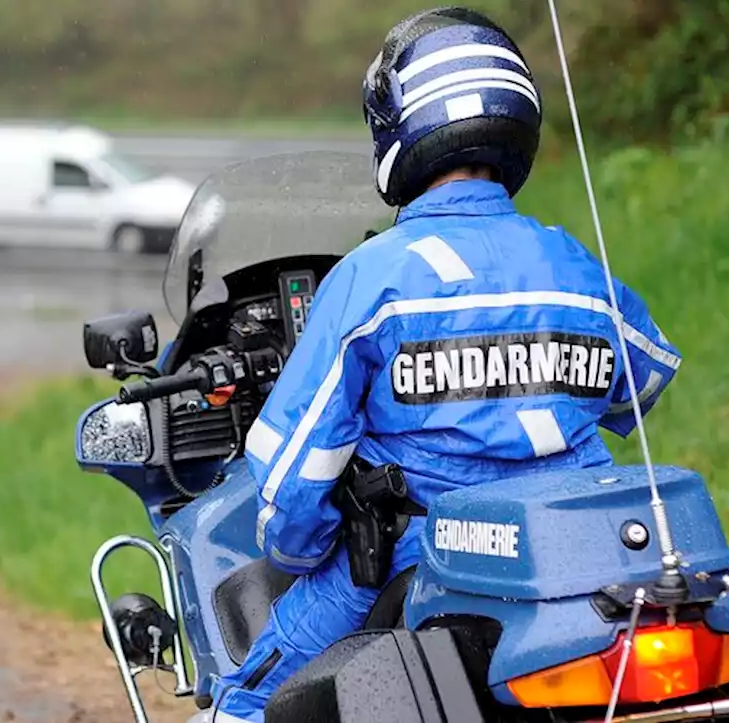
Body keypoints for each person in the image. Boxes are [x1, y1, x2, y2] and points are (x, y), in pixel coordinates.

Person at [205, 6, 682, 722]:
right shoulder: (573, 264)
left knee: (246, 699)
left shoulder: (374, 280)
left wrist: (301, 552)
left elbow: (294, 479)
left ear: (396, 126)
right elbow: (643, 384)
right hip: (586, 552)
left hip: (420, 562)